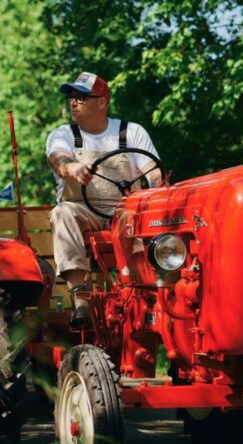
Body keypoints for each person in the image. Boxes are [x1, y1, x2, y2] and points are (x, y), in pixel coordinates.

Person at [46, 71, 162, 328]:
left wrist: (156, 185)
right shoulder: (63, 134)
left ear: (102, 102)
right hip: (82, 211)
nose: (73, 102)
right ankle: (81, 300)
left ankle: (149, 295)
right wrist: (73, 168)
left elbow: (152, 169)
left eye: (81, 97)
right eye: (71, 97)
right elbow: (59, 160)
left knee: (149, 216)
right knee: (61, 212)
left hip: (123, 212)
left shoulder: (130, 132)